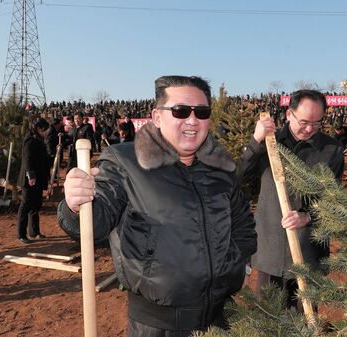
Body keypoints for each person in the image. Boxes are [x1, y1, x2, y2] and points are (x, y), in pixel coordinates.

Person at [57, 75, 257, 336]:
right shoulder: (126, 162)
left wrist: (235, 264)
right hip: (159, 325)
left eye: (202, 112)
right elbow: (96, 222)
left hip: (221, 320)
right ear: (157, 116)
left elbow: (243, 224)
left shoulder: (220, 168)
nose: (192, 120)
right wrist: (74, 204)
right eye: (181, 111)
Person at [236, 89, 344, 307]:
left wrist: (307, 216)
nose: (309, 128)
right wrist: (255, 141)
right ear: (288, 115)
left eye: (317, 123)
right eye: (303, 121)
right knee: (268, 318)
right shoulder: (268, 143)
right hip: (269, 251)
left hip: (308, 252)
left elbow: (334, 199)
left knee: (304, 319)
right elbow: (240, 177)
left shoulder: (331, 149)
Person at [17, 118, 52, 244]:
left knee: (35, 205)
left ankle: (34, 232)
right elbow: (28, 159)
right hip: (29, 179)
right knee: (26, 205)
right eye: (45, 130)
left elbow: (43, 159)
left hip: (39, 178)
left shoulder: (40, 140)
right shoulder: (30, 140)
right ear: (39, 129)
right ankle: (21, 233)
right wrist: (30, 175)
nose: (47, 132)